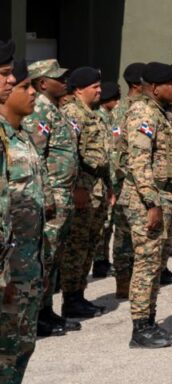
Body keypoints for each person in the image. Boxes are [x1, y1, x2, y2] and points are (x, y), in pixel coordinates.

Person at [122, 61, 172, 347]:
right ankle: (140, 328)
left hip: (165, 196)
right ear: (154, 87)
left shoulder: (163, 112)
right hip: (148, 199)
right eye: (171, 83)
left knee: (157, 263)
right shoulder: (143, 113)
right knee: (146, 264)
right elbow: (139, 162)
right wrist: (152, 203)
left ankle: (150, 321)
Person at [23, 60, 81, 336]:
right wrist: (46, 196)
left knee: (54, 257)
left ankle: (47, 310)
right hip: (52, 197)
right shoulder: (38, 112)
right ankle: (37, 316)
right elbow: (37, 158)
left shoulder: (55, 110)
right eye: (57, 78)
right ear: (42, 83)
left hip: (63, 194)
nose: (64, 81)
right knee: (45, 258)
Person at [0, 59, 46, 382]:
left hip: (28, 266)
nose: (32, 93)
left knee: (21, 349)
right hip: (9, 272)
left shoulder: (22, 136)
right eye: (25, 87)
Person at [60, 67, 110, 319]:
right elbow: (70, 154)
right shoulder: (72, 114)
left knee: (90, 242)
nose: (99, 90)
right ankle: (70, 298)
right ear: (79, 89)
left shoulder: (95, 114)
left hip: (98, 187)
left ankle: (79, 294)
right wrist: (78, 187)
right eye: (94, 87)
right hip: (84, 187)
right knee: (76, 245)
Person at [92, 81, 121, 278]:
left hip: (110, 179)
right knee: (103, 223)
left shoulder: (111, 118)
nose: (118, 102)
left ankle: (103, 259)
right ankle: (99, 261)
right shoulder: (99, 119)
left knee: (108, 223)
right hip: (102, 180)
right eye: (115, 99)